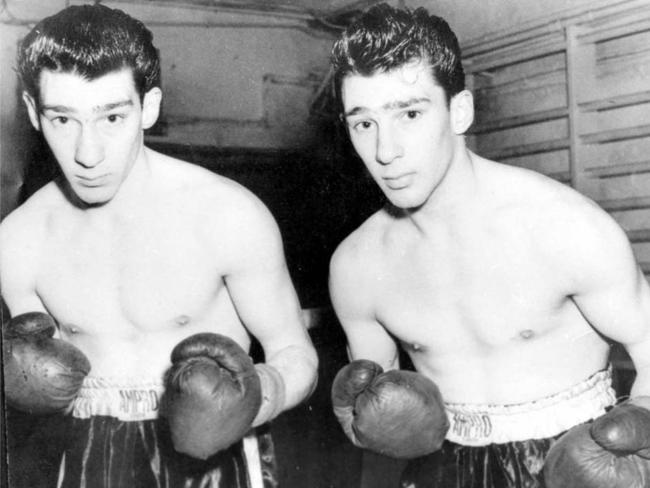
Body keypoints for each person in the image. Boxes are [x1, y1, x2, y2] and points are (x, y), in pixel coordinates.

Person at [327, 4, 650, 488]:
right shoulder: (356, 266)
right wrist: (363, 425)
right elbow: (380, 419)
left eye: (410, 113)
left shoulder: (564, 226)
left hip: (574, 462)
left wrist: (640, 426)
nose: (385, 151)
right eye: (364, 123)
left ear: (460, 111)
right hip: (442, 467)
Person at [0, 4, 317, 488]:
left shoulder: (226, 214)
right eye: (64, 119)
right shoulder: (19, 239)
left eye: (111, 117)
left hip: (215, 457)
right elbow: (37, 381)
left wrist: (260, 395)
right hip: (89, 454)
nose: (88, 153)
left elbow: (296, 352)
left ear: (148, 107)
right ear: (33, 114)